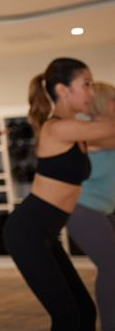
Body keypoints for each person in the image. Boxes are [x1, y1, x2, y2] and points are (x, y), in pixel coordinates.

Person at [3, 58, 115, 330]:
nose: (91, 92)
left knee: (84, 312)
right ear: (63, 90)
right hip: (27, 231)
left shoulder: (76, 129)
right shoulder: (58, 128)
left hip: (45, 233)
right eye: (86, 84)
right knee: (67, 317)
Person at [66, 81, 115, 330]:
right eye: (113, 100)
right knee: (111, 267)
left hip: (105, 208)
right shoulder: (84, 125)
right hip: (83, 208)